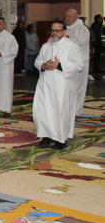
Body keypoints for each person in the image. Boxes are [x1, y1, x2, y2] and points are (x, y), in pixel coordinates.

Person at [33, 20, 84, 150]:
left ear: (64, 32)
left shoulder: (72, 46)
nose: (54, 33)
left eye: (57, 30)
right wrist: (44, 65)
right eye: (52, 30)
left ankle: (61, 139)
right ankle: (47, 136)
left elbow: (79, 65)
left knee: (61, 111)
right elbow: (37, 61)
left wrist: (59, 65)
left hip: (63, 86)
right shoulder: (46, 46)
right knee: (44, 110)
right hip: (46, 84)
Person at [64, 9, 90, 116]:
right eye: (65, 17)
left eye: (69, 17)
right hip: (67, 62)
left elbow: (81, 42)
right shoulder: (64, 29)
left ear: (75, 17)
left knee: (79, 86)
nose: (66, 19)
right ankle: (68, 108)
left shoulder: (82, 29)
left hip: (80, 62)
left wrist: (67, 40)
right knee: (69, 86)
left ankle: (77, 111)